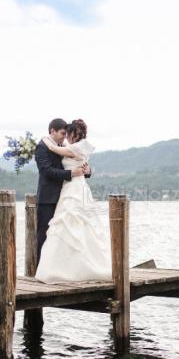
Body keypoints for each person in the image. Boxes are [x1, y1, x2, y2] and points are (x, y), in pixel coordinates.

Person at [34, 119, 111, 284]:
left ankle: (72, 267)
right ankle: (40, 270)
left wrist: (87, 171)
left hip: (69, 193)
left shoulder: (66, 147)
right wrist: (71, 174)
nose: (65, 137)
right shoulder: (41, 147)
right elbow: (47, 171)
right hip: (49, 197)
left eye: (67, 133)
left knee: (75, 229)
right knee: (46, 235)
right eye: (63, 133)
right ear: (52, 131)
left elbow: (82, 167)